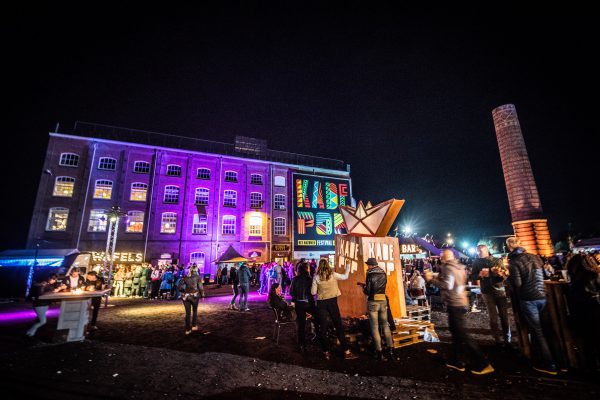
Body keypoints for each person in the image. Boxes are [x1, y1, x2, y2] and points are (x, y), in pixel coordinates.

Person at [425, 249, 494, 375]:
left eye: (441, 257)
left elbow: (448, 285)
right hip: (461, 301)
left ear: (444, 258)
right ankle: (456, 361)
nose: (440, 259)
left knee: (462, 334)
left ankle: (483, 362)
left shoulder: (448, 268)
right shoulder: (459, 267)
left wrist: (430, 279)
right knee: (456, 333)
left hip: (454, 303)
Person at [505, 237, 557, 375]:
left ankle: (549, 364)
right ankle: (560, 362)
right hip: (542, 296)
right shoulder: (535, 257)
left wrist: (506, 277)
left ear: (509, 247)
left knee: (537, 332)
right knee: (548, 329)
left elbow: (517, 284)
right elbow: (546, 274)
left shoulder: (514, 262)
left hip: (529, 299)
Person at [311, 259, 357, 360]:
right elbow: (345, 276)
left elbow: (313, 292)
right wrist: (348, 266)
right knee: (338, 325)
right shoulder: (333, 274)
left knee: (323, 327)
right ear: (327, 265)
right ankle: (346, 351)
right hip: (332, 302)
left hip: (321, 302)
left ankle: (326, 351)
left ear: (319, 266)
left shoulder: (316, 277)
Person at [470, 244, 511, 346]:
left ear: (487, 251)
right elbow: (472, 276)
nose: (479, 253)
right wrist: (479, 274)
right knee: (493, 317)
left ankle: (507, 339)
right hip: (487, 292)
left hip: (499, 291)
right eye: (478, 251)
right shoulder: (476, 262)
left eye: (481, 251)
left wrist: (496, 273)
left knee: (504, 316)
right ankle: (497, 339)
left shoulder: (497, 260)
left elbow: (504, 275)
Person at [359, 258, 395, 362]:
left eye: (368, 265)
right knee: (385, 325)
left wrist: (363, 288)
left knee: (374, 327)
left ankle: (379, 352)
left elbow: (368, 291)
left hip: (373, 302)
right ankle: (391, 350)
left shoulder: (370, 274)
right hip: (383, 300)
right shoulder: (383, 273)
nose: (367, 267)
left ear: (370, 265)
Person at [289, 262, 318, 352]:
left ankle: (302, 344)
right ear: (307, 269)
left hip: (299, 304)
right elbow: (313, 292)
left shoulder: (295, 279)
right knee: (317, 319)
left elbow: (291, 292)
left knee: (301, 325)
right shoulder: (310, 279)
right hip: (309, 304)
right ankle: (317, 336)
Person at [178, 266, 205, 335]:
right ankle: (194, 326)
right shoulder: (198, 277)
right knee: (195, 311)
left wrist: (184, 291)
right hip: (194, 296)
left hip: (186, 296)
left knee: (188, 313)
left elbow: (179, 287)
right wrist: (203, 295)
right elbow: (201, 287)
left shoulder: (185, 277)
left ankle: (187, 330)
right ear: (196, 270)